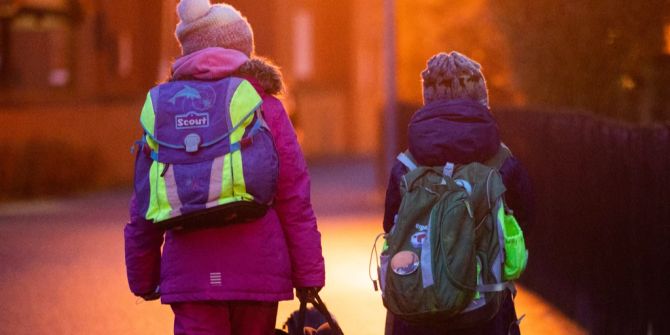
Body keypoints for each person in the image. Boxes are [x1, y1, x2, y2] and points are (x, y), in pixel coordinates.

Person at [124, 1, 325, 334]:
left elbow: (145, 202)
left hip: (192, 273)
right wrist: (309, 274)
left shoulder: (165, 112)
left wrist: (143, 277)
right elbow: (294, 196)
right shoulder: (265, 106)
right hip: (257, 272)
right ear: (242, 49)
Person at [382, 51, 533, 335]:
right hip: (485, 313)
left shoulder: (406, 166)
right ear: (481, 99)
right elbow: (524, 223)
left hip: (416, 314)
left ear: (427, 100)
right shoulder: (502, 162)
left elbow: (391, 227)